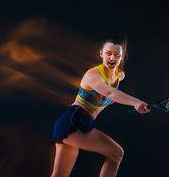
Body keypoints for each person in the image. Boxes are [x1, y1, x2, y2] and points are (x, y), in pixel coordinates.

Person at [51, 36, 150, 177]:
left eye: (117, 55)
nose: (112, 58)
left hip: (83, 122)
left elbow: (114, 92)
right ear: (101, 53)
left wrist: (137, 105)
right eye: (109, 53)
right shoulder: (92, 75)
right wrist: (135, 102)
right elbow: (110, 93)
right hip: (72, 121)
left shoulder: (119, 76)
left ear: (122, 57)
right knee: (117, 153)